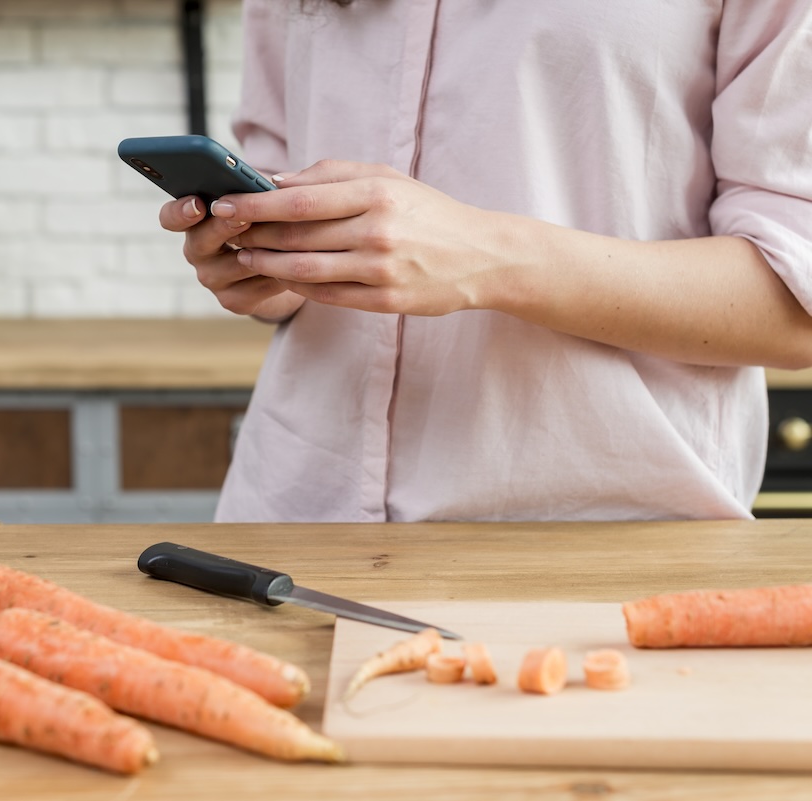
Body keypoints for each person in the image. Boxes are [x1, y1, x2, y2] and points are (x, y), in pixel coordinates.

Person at [157, 0, 812, 523]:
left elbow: (791, 307)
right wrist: (261, 262)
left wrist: (485, 259)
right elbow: (281, 194)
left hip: (593, 546)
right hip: (292, 518)